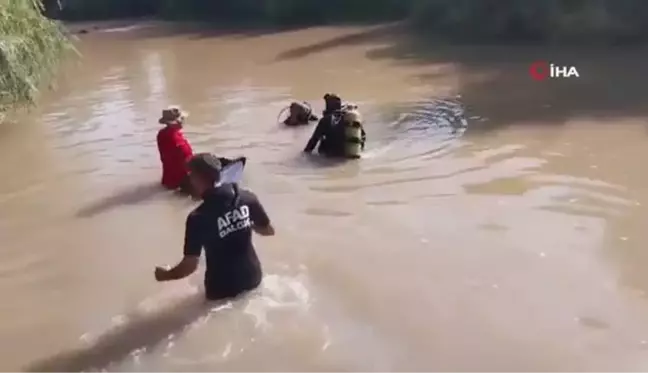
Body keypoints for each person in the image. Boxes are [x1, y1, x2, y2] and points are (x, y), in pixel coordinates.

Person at [154, 153, 275, 301]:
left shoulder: (198, 217)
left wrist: (166, 275)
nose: (189, 179)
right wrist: (245, 223)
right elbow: (268, 231)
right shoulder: (246, 197)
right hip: (253, 279)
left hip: (221, 290)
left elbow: (190, 266)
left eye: (191, 175)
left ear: (198, 179)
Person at [303, 94, 367, 159]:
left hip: (331, 155)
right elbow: (363, 136)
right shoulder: (351, 118)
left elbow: (314, 140)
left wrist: (303, 155)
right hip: (349, 153)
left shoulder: (325, 120)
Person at [156, 106, 194, 193]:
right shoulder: (174, 138)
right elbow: (184, 159)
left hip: (169, 178)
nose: (184, 121)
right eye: (182, 119)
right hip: (180, 181)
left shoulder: (163, 133)